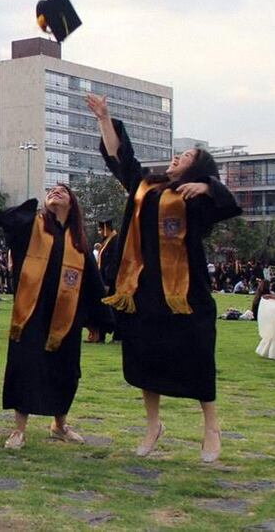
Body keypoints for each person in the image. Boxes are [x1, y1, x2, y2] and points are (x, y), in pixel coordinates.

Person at [87, 92, 240, 463]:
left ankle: (211, 428)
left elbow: (230, 205)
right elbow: (121, 158)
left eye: (186, 158)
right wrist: (105, 119)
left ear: (197, 170)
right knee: (145, 355)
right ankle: (153, 425)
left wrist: (207, 187)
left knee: (198, 355)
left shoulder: (196, 196)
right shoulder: (146, 187)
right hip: (144, 288)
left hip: (185, 291)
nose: (177, 158)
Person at [0, 180, 104, 449]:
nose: (55, 193)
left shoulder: (78, 240)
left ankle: (59, 425)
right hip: (31, 311)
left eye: (63, 191)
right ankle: (19, 430)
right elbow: (4, 220)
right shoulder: (32, 225)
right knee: (26, 366)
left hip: (66, 316)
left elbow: (92, 281)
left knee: (65, 370)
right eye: (51, 191)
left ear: (72, 203)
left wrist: (97, 320)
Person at [85, 219, 119, 343]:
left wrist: (108, 282)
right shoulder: (107, 242)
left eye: (100, 229)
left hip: (111, 282)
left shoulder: (115, 241)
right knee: (103, 308)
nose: (100, 232)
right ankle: (100, 335)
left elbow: (112, 264)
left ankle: (116, 336)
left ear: (107, 228)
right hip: (104, 280)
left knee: (113, 309)